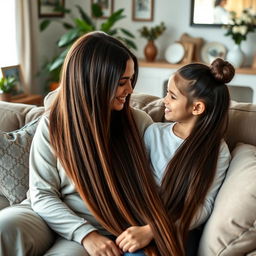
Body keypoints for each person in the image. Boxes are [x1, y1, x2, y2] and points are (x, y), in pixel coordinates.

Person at [0, 32, 183, 256]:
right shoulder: (54, 122)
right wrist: (84, 234)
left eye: (131, 80)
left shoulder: (139, 124)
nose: (130, 90)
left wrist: (91, 234)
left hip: (100, 225)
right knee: (4, 226)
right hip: (44, 214)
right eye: (122, 82)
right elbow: (41, 194)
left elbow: (170, 181)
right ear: (95, 83)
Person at [116, 58, 235, 255]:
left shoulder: (217, 151)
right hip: (141, 219)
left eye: (172, 96)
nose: (164, 100)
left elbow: (203, 206)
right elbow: (136, 184)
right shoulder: (153, 133)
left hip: (180, 231)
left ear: (196, 108)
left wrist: (154, 229)